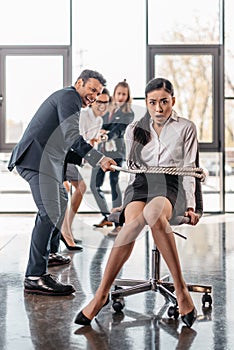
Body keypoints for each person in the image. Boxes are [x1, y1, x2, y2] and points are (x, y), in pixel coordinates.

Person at [75, 77, 200, 327]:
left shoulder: (186, 127)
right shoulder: (135, 128)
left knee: (154, 214)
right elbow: (131, 170)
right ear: (147, 102)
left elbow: (189, 168)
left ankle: (181, 289)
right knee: (131, 223)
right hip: (140, 183)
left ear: (172, 101)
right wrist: (121, 203)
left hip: (170, 184)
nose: (159, 108)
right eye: (153, 102)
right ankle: (101, 295)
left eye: (164, 101)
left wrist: (192, 205)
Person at [8, 69, 116, 296]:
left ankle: (51, 252)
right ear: (79, 83)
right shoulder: (69, 97)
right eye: (91, 89)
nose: (94, 96)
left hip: (47, 161)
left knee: (61, 199)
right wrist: (98, 158)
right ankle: (34, 276)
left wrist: (94, 161)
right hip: (34, 159)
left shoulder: (71, 99)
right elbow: (70, 136)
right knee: (49, 210)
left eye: (98, 92)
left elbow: (65, 144)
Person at [61, 88, 111, 249]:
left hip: (75, 158)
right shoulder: (83, 115)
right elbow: (75, 140)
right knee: (70, 189)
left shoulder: (99, 121)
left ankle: (66, 229)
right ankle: (64, 231)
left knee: (79, 188)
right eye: (99, 102)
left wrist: (95, 142)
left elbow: (88, 142)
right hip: (64, 156)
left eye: (106, 102)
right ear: (93, 102)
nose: (102, 106)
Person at [91, 80, 135, 235]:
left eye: (124, 94)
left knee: (114, 185)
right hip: (102, 153)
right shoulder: (107, 110)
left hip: (117, 153)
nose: (121, 97)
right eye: (119, 93)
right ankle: (107, 216)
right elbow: (99, 124)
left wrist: (104, 135)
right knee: (94, 185)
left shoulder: (128, 113)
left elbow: (118, 131)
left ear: (128, 96)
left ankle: (118, 223)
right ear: (114, 94)